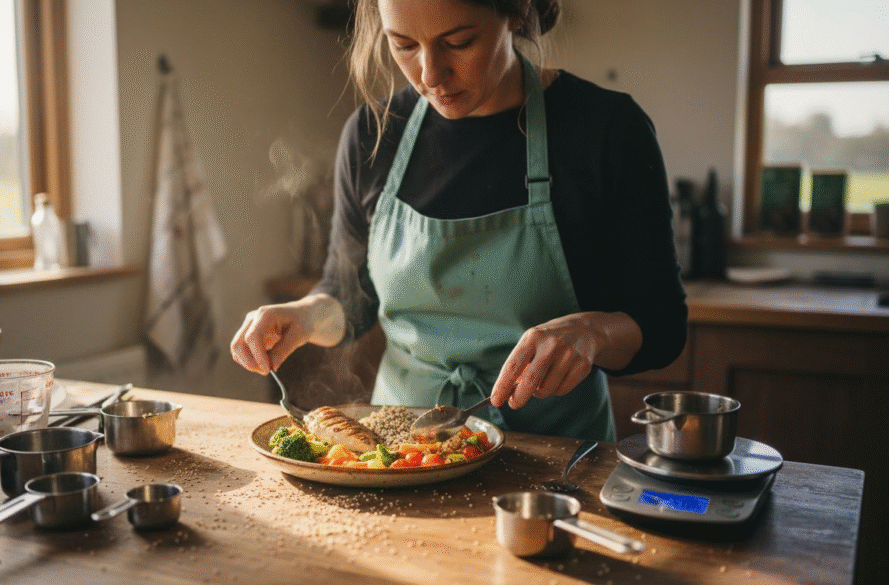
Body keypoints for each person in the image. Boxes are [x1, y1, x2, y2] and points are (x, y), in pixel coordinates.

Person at [231, 0, 687, 441]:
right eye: (404, 45)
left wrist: (593, 332)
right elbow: (350, 297)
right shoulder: (373, 134)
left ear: (517, 11)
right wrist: (305, 316)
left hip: (553, 459)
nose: (431, 75)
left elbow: (662, 325)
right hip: (399, 451)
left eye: (459, 42)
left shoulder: (606, 130)